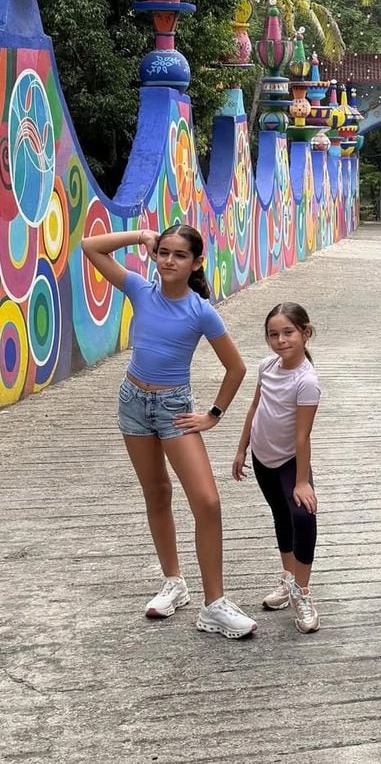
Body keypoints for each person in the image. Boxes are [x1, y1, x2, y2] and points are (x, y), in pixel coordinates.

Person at [81, 223, 257, 639]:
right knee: (157, 492)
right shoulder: (140, 289)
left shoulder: (201, 310)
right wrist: (140, 234)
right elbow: (91, 246)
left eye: (179, 255)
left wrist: (213, 414)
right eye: (163, 252)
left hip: (175, 409)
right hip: (133, 403)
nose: (168, 260)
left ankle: (214, 603)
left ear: (196, 262)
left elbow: (237, 368)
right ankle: (174, 583)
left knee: (207, 501)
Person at [232, 303, 321, 633]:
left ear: (305, 334)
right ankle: (288, 579)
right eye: (273, 334)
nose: (281, 340)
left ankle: (303, 590)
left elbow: (303, 435)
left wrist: (302, 481)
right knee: (281, 515)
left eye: (288, 333)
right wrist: (242, 448)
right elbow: (255, 407)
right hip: (261, 458)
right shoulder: (267, 367)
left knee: (302, 515)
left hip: (289, 462)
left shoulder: (307, 381)